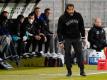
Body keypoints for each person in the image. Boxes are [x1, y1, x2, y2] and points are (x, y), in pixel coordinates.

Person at [57, 4, 86, 77]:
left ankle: (82, 70)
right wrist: (60, 42)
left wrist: (83, 38)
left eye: (72, 9)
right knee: (67, 54)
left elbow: (82, 27)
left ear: (74, 9)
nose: (71, 11)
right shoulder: (62, 18)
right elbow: (59, 31)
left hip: (77, 37)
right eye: (69, 9)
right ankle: (69, 71)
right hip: (67, 38)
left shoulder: (78, 15)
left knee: (79, 53)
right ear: (66, 10)